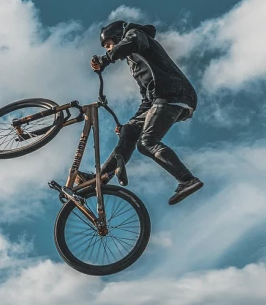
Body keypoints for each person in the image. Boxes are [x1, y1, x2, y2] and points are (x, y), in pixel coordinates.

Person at [84, 19, 204, 205]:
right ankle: (100, 177)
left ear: (117, 37)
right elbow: (147, 99)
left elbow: (130, 43)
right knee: (129, 131)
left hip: (174, 96)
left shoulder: (136, 35)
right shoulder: (134, 63)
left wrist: (105, 60)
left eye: (109, 45)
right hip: (160, 99)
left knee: (146, 142)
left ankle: (187, 179)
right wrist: (130, 123)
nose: (108, 50)